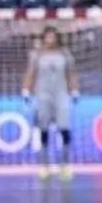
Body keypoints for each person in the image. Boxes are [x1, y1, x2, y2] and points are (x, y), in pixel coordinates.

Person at [21, 26, 79, 181]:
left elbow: (71, 73)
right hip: (43, 95)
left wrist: (74, 90)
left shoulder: (65, 54)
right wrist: (26, 90)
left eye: (53, 37)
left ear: (57, 38)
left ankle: (65, 165)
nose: (50, 40)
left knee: (64, 128)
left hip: (61, 94)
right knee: (43, 129)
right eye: (48, 37)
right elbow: (30, 73)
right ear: (44, 38)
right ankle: (44, 165)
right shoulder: (36, 55)